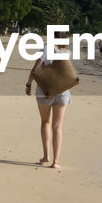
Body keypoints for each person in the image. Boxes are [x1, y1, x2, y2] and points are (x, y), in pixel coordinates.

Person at [25, 40, 71, 169]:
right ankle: (55, 162)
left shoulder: (46, 49)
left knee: (45, 122)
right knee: (58, 126)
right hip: (63, 91)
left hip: (45, 91)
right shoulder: (66, 52)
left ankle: (46, 156)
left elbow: (35, 70)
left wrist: (28, 84)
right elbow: (69, 72)